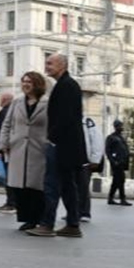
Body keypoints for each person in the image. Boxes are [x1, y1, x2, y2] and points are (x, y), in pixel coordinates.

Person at [28, 53, 88, 237]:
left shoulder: (67, 86)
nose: (47, 66)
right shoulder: (64, 85)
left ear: (62, 65)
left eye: (50, 63)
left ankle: (47, 224)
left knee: (52, 184)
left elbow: (66, 118)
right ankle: (73, 224)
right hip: (67, 145)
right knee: (68, 185)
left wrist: (51, 138)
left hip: (62, 145)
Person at [2, 72, 50, 231]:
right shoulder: (17, 102)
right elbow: (7, 124)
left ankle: (36, 218)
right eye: (23, 82)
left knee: (36, 187)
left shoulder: (46, 103)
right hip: (18, 148)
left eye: (29, 82)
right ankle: (26, 218)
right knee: (19, 186)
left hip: (38, 149)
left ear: (37, 84)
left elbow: (52, 126)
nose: (25, 84)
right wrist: (4, 142)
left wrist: (48, 144)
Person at [0, 92, 17, 214]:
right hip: (9, 148)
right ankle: (12, 201)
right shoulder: (12, 111)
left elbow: (1, 132)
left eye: (1, 99)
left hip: (4, 149)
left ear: (5, 100)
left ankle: (11, 202)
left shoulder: (5, 112)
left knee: (8, 177)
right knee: (10, 176)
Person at [78, 111, 105, 223]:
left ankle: (85, 212)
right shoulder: (67, 120)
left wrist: (95, 160)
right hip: (70, 160)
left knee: (83, 187)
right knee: (71, 188)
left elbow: (97, 141)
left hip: (85, 161)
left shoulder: (88, 122)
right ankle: (74, 211)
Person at [105, 120, 132, 206]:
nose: (121, 127)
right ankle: (122, 198)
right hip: (116, 162)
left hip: (122, 162)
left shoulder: (121, 137)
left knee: (116, 181)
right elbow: (108, 151)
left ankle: (110, 198)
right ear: (115, 127)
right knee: (120, 180)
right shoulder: (111, 137)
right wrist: (113, 161)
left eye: (121, 126)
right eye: (119, 126)